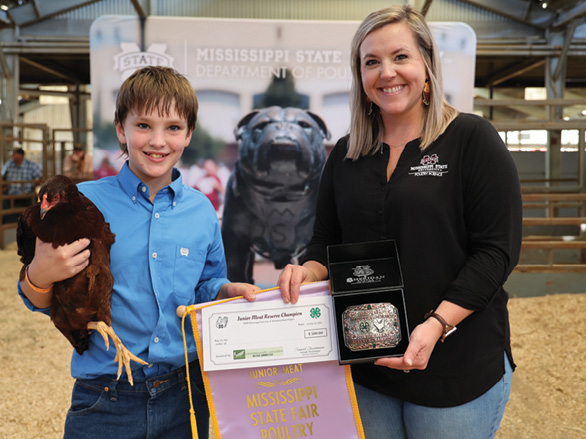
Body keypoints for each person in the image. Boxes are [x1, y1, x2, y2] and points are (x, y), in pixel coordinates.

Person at [277, 5, 522, 439]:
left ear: (427, 64)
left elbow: (496, 251)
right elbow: (326, 241)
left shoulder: (471, 139)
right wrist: (306, 271)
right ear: (361, 77)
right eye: (371, 61)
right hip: (370, 366)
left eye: (400, 57)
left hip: (455, 367)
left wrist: (437, 325)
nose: (386, 72)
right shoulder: (348, 154)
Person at [18, 66, 260, 439]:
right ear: (121, 129)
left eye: (173, 128)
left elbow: (207, 284)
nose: (158, 141)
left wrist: (226, 291)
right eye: (143, 125)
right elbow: (37, 299)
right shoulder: (82, 202)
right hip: (104, 399)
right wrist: (39, 274)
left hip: (185, 397)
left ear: (189, 134)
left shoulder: (202, 211)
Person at [1, 147, 43, 223]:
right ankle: (10, 222)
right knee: (2, 199)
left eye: (14, 154)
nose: (12, 156)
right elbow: (2, 177)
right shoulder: (9, 164)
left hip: (26, 192)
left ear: (21, 155)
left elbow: (40, 176)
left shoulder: (31, 165)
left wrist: (34, 185)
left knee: (33, 199)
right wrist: (4, 186)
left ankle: (29, 222)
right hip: (11, 192)